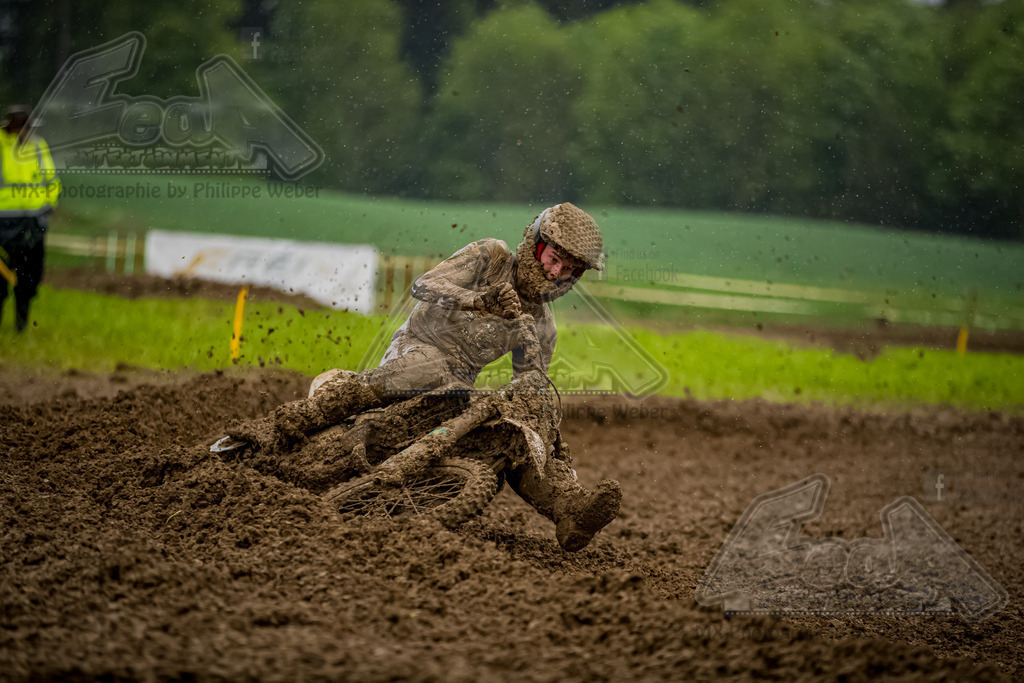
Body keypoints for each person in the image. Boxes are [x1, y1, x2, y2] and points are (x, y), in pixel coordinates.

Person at [229, 202, 622, 551]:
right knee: (434, 371)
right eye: (553, 258)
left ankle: (567, 507)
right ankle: (301, 417)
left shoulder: (543, 326)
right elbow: (425, 284)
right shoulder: (493, 256)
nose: (555, 274)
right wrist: (478, 300)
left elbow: (531, 384)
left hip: (459, 384)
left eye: (568, 271)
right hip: (418, 349)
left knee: (520, 427)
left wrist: (539, 419)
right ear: (534, 242)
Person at [0, 105, 60, 331]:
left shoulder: (38, 145)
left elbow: (51, 180)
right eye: (19, 128)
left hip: (33, 222)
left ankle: (21, 325)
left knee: (30, 277)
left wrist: (49, 205)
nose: (23, 133)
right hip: (3, 222)